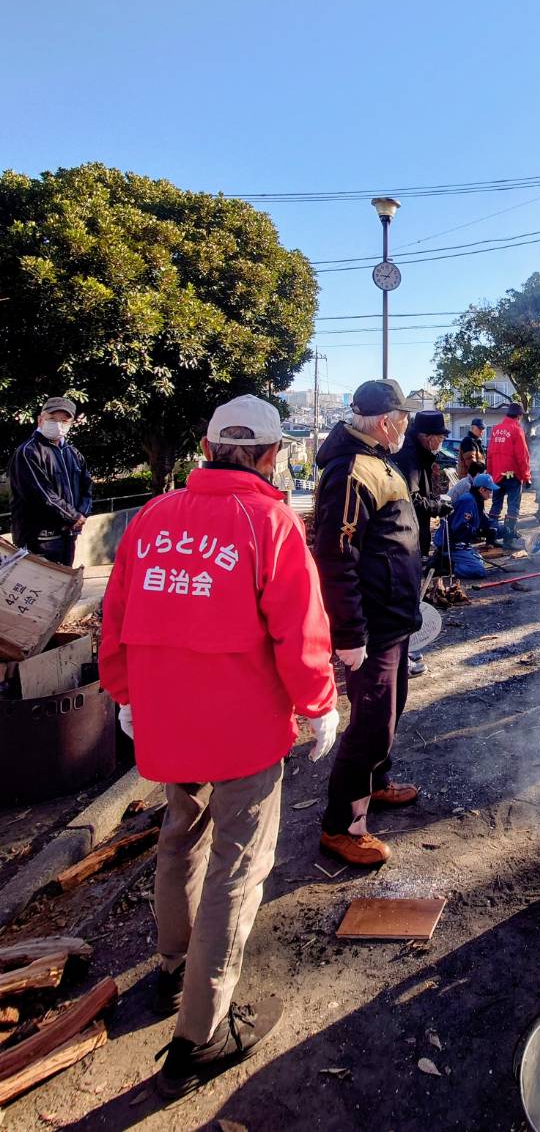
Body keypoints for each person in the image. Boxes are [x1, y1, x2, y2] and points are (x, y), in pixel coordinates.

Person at [98, 395, 339, 1100]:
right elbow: (300, 631)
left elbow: (115, 615)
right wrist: (320, 704)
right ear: (270, 455)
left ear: (206, 448)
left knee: (181, 837)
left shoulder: (152, 518)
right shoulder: (269, 521)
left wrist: (126, 694)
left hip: (171, 723)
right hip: (243, 731)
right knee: (239, 864)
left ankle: (174, 966)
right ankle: (202, 1034)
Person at [313, 379, 424, 868]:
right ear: (384, 422)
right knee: (371, 724)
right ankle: (342, 824)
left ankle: (375, 785)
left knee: (391, 710)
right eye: (402, 417)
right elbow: (336, 557)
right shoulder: (351, 470)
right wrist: (350, 634)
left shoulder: (378, 459)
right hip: (373, 626)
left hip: (394, 618)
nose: (406, 424)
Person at [392, 410, 454, 676]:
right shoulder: (410, 457)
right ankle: (400, 656)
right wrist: (439, 507)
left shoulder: (418, 454)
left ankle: (406, 647)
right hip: (405, 538)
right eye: (439, 437)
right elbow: (413, 500)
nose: (441, 442)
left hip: (412, 535)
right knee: (404, 599)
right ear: (427, 437)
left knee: (409, 597)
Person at [6, 397, 93, 567]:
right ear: (40, 419)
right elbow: (41, 494)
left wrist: (83, 513)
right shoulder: (28, 452)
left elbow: (87, 486)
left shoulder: (73, 453)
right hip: (39, 538)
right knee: (38, 588)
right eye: (52, 419)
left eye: (64, 421)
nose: (58, 425)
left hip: (67, 536)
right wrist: (73, 516)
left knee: (61, 586)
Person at [486, 401, 530, 549]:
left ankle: (490, 537)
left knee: (495, 505)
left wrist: (490, 473)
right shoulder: (516, 430)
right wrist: (526, 476)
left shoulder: (496, 429)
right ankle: (508, 540)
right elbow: (522, 456)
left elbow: (490, 454)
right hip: (513, 476)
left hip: (497, 475)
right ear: (519, 416)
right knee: (513, 507)